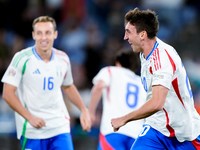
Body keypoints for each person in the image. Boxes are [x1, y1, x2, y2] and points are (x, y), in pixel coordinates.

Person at [111, 7, 200, 150]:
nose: (125, 37)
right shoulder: (144, 55)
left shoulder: (162, 57)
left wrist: (124, 118)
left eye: (128, 32)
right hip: (156, 129)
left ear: (142, 35)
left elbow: (157, 102)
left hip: (184, 135)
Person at [1, 16, 91, 150]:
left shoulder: (63, 58)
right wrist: (30, 117)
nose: (44, 37)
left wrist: (84, 110)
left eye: (48, 33)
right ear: (33, 35)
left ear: (55, 34)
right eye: (39, 33)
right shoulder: (22, 58)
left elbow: (68, 86)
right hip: (32, 131)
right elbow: (7, 94)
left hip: (59, 127)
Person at [89, 49, 146, 150]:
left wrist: (91, 113)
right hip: (136, 134)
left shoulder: (111, 71)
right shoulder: (141, 83)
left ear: (118, 63)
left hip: (113, 131)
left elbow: (99, 86)